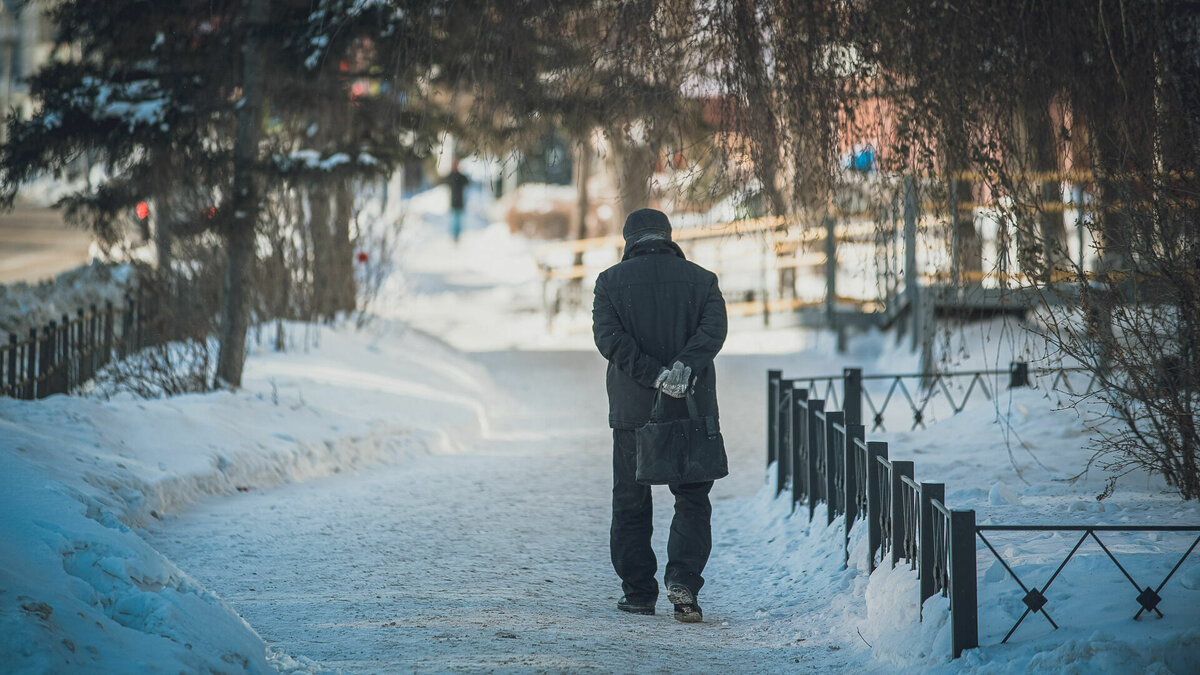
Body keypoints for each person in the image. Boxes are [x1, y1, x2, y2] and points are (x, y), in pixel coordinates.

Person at [592, 208, 728, 623]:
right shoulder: (702, 280)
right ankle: (684, 581)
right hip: (691, 409)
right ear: (668, 237)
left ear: (628, 240)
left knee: (631, 500)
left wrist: (654, 375)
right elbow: (713, 331)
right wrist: (682, 369)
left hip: (635, 412)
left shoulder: (610, 283)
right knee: (691, 498)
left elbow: (609, 339)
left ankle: (638, 593)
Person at [445, 159, 469, 243]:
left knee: (458, 221)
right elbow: (446, 181)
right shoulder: (451, 176)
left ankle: (457, 236)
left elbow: (467, 182)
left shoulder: (460, 176)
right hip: (453, 202)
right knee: (454, 221)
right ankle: (454, 236)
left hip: (460, 201)